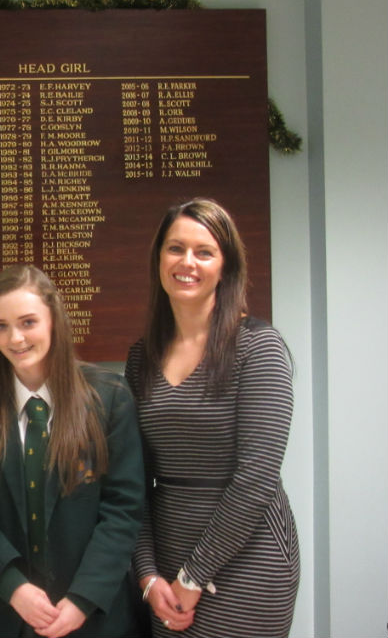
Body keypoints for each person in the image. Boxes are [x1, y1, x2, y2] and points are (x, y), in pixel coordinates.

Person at [0, 264, 145, 638]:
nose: (15, 338)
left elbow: (123, 510)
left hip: (93, 618)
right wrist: (13, 587)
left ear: (54, 320)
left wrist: (83, 598)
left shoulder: (109, 398)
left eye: (28, 322)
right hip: (5, 616)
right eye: (0, 326)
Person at [126, 198, 299, 637]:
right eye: (175, 248)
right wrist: (148, 575)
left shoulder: (259, 348)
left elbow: (257, 478)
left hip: (249, 557)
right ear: (158, 259)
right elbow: (131, 476)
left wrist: (194, 576)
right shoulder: (140, 357)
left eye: (204, 251)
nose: (187, 262)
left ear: (226, 266)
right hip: (166, 559)